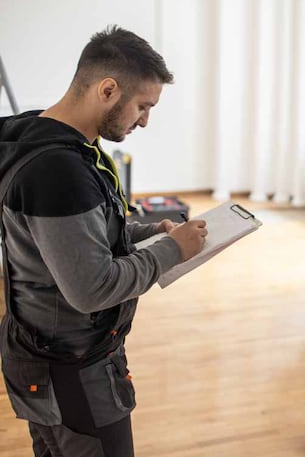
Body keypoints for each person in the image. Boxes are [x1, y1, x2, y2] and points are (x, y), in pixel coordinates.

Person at [0, 26, 208, 456]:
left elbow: (77, 239)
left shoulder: (41, 135)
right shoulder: (60, 170)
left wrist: (151, 233)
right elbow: (90, 288)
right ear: (108, 89)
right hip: (71, 372)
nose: (145, 120)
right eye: (143, 106)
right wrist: (172, 251)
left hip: (39, 357)